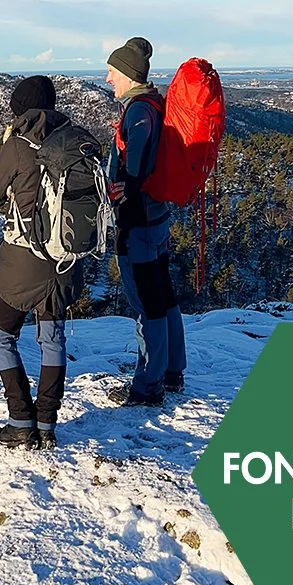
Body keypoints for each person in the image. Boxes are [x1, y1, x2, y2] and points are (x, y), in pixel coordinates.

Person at [0, 75, 82, 450]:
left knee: (2, 335)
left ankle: (20, 421)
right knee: (52, 339)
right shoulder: (75, 142)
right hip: (65, 262)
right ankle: (47, 424)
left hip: (23, 262)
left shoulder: (18, 147)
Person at [106, 37, 185, 406]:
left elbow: (133, 170)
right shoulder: (155, 104)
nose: (108, 79)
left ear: (126, 74)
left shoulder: (138, 111)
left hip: (139, 221)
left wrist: (125, 192)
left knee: (146, 303)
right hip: (159, 218)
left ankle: (148, 385)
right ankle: (172, 371)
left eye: (111, 72)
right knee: (163, 295)